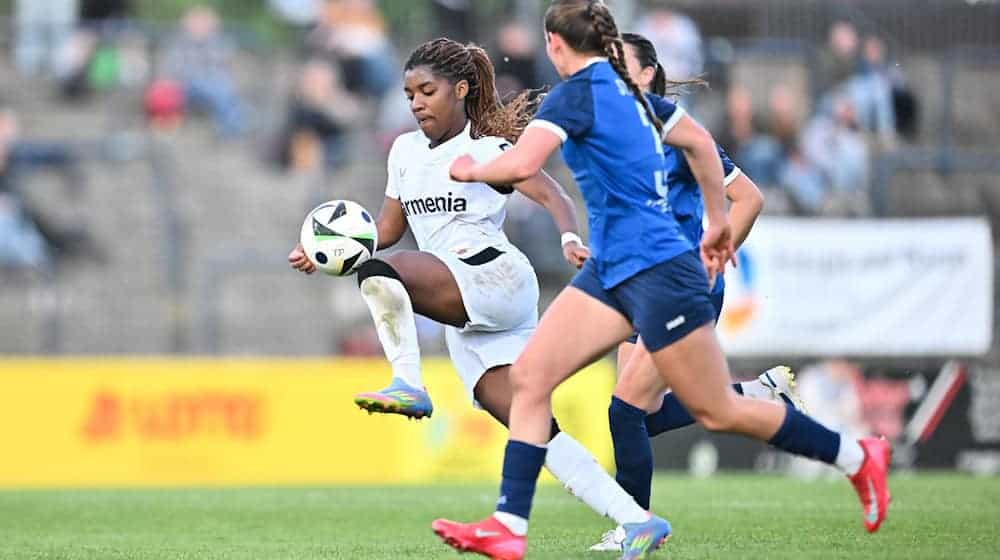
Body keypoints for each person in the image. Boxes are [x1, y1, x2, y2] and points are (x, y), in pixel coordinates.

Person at [433, 3, 891, 559]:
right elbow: (699, 143)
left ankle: (855, 456)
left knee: (713, 409)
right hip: (613, 271)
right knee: (531, 378)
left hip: (656, 270)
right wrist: (719, 223)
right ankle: (509, 524)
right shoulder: (639, 102)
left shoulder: (576, 94)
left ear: (555, 45)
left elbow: (521, 164)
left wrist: (473, 169)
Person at [288, 36, 669, 542]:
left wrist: (570, 235)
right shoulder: (403, 151)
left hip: (495, 278)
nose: (416, 102)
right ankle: (638, 521)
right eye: (409, 95)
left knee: (380, 273)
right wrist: (330, 250)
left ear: (461, 89)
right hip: (463, 312)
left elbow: (550, 191)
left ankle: (409, 384)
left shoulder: (485, 149)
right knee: (534, 429)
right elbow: (387, 229)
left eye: (427, 91)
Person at [589, 31, 802, 552]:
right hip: (635, 286)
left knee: (623, 412)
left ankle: (634, 530)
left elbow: (747, 197)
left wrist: (712, 258)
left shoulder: (678, 131)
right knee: (641, 414)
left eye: (619, 66)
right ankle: (753, 396)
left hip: (680, 288)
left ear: (646, 75)